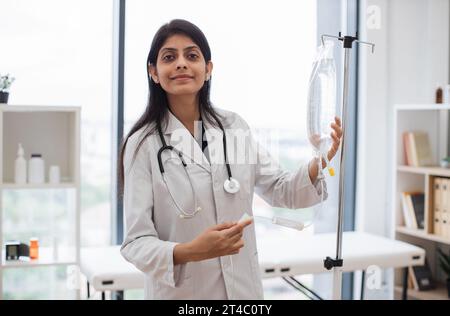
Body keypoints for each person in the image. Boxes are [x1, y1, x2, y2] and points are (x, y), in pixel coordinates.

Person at [119, 19, 342, 300]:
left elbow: (282, 190)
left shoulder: (233, 127)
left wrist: (321, 159)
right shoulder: (142, 144)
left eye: (192, 55)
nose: (181, 64)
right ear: (153, 72)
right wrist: (191, 250)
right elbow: (135, 243)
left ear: (208, 69)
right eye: (168, 57)